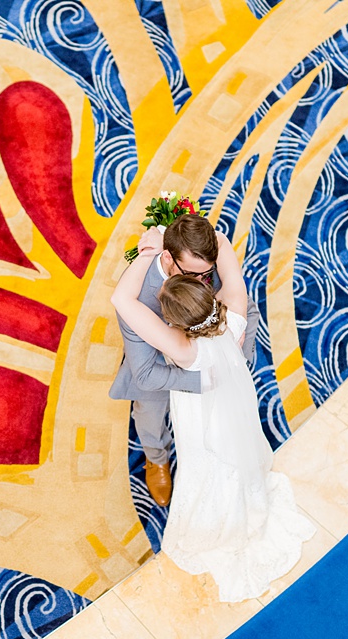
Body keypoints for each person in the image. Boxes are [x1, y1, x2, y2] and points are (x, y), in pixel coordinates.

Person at [110, 245, 315, 602]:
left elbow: (122, 300)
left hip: (201, 414)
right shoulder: (233, 311)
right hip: (234, 402)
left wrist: (147, 251)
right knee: (234, 451)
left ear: (173, 323)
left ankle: (213, 515)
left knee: (204, 460)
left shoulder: (182, 349)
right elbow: (232, 269)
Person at [109, 214, 258, 506]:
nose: (204, 281)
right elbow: (146, 375)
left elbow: (245, 304)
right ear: (168, 258)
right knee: (149, 411)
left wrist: (236, 357)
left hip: (205, 359)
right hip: (160, 366)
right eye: (193, 276)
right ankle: (156, 457)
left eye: (208, 274)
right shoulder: (140, 298)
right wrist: (210, 377)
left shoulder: (202, 259)